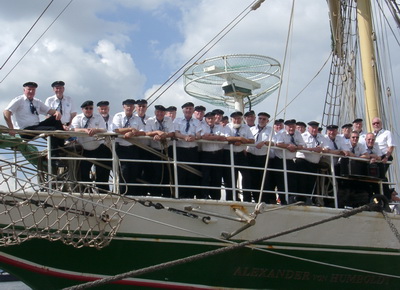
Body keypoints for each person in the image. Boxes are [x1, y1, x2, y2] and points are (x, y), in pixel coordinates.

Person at [3, 82, 64, 164]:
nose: (31, 92)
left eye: (33, 90)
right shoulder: (19, 100)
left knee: (55, 119)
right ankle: (54, 157)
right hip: (26, 130)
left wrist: (57, 112)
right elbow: (6, 112)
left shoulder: (37, 102)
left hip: (36, 126)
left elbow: (49, 111)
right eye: (29, 89)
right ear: (24, 90)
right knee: (52, 130)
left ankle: (61, 146)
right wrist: (11, 128)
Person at [70, 100, 111, 192]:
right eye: (86, 108)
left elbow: (103, 129)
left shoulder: (98, 117)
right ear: (82, 109)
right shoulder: (78, 118)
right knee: (83, 173)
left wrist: (95, 130)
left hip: (98, 147)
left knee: (103, 172)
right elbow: (73, 129)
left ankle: (103, 191)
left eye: (90, 108)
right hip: (84, 149)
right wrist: (85, 130)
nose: (88, 110)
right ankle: (86, 191)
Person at [112, 99, 145, 195]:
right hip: (121, 147)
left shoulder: (137, 119)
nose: (130, 108)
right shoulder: (118, 116)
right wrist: (130, 129)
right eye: (128, 106)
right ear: (123, 107)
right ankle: (123, 193)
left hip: (133, 147)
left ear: (134, 107)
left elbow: (143, 131)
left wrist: (135, 132)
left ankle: (133, 193)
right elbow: (116, 130)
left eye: (131, 106)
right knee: (124, 171)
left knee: (134, 170)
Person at [222, 111, 254, 201]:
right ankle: (232, 198)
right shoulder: (228, 127)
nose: (237, 120)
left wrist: (243, 141)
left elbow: (252, 140)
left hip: (241, 154)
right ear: (232, 119)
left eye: (239, 118)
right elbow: (226, 138)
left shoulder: (245, 127)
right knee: (230, 177)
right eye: (235, 118)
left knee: (246, 176)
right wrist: (239, 138)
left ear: (242, 119)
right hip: (229, 154)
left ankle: (247, 198)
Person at [273, 119, 305, 204]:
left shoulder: (297, 133)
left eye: (293, 126)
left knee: (292, 180)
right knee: (281, 182)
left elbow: (302, 145)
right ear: (286, 127)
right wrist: (288, 146)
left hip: (290, 160)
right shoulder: (281, 133)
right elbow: (278, 144)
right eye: (289, 126)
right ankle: (283, 200)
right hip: (280, 160)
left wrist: (294, 147)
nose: (291, 128)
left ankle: (292, 198)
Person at [145, 105, 175, 197]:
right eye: (158, 112)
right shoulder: (150, 120)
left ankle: (167, 193)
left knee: (167, 172)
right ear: (155, 112)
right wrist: (157, 132)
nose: (160, 114)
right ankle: (155, 192)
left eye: (162, 112)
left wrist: (164, 135)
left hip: (167, 149)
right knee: (157, 172)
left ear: (164, 113)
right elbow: (147, 132)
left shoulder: (168, 120)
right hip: (155, 150)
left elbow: (172, 133)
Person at [174, 102, 202, 198]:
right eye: (187, 108)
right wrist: (184, 137)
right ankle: (181, 195)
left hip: (192, 151)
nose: (188, 110)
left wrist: (194, 137)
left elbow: (199, 134)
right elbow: (176, 133)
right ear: (183, 110)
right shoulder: (177, 121)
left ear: (193, 110)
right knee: (181, 174)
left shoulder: (197, 122)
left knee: (192, 174)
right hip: (181, 150)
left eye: (190, 108)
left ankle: (190, 196)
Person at [296, 121, 328, 203]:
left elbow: (326, 148)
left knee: (311, 183)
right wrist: (313, 149)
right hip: (303, 162)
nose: (314, 129)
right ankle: (300, 200)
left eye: (315, 128)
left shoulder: (321, 137)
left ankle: (308, 199)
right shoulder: (303, 136)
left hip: (314, 163)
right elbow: (301, 148)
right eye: (312, 128)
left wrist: (322, 149)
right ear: (308, 128)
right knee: (302, 182)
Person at [247, 112, 275, 203]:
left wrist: (264, 142)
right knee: (253, 179)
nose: (261, 120)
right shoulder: (251, 129)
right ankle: (255, 199)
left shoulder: (270, 130)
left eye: (264, 119)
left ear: (267, 121)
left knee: (264, 180)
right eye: (260, 118)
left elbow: (274, 142)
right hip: (251, 156)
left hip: (263, 157)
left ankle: (264, 200)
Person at [199, 112, 227, 199]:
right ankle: (205, 195)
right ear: (206, 119)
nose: (210, 120)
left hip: (217, 154)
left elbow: (223, 138)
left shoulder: (220, 127)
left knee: (217, 177)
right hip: (206, 154)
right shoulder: (202, 126)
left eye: (212, 118)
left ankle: (216, 196)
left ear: (215, 119)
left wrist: (211, 136)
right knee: (205, 176)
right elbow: (203, 137)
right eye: (208, 118)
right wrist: (216, 136)